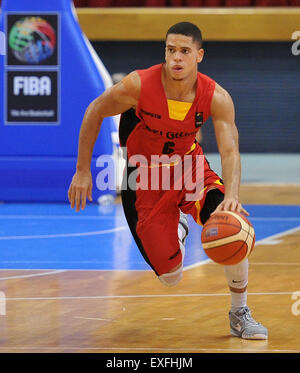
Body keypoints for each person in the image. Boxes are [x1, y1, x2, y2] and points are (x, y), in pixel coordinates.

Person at [68, 22, 268, 340]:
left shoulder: (216, 97)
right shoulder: (138, 85)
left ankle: (239, 313)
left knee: (236, 228)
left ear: (199, 55)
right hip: (142, 178)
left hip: (189, 168)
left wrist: (232, 195)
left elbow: (230, 150)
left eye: (184, 51)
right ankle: (179, 227)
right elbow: (95, 110)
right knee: (171, 277)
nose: (176, 57)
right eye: (170, 50)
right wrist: (82, 171)